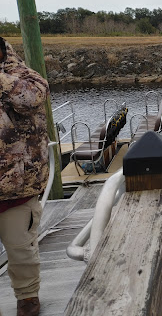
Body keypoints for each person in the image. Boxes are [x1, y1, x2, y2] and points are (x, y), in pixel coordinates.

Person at [0, 37, 50, 316]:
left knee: (21, 251)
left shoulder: (25, 77)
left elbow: (31, 99)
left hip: (17, 187)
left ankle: (28, 298)